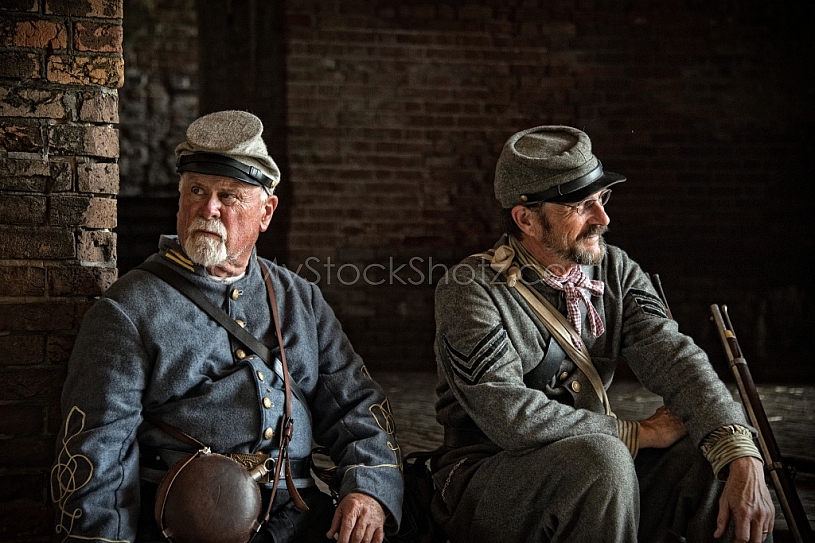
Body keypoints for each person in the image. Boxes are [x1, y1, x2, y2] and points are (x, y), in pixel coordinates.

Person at [50, 110, 403, 543]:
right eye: (196, 190)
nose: (208, 207)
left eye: (229, 195)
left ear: (266, 211)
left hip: (300, 518)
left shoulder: (301, 299)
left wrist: (369, 490)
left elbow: (356, 404)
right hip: (190, 525)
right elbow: (97, 452)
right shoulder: (128, 309)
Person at [430, 125, 775, 543]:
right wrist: (635, 434)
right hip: (490, 474)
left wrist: (737, 450)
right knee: (604, 460)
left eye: (602, 199)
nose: (603, 219)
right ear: (526, 219)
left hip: (594, 463)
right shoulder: (470, 287)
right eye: (580, 206)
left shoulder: (616, 269)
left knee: (708, 460)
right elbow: (511, 418)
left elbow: (675, 357)